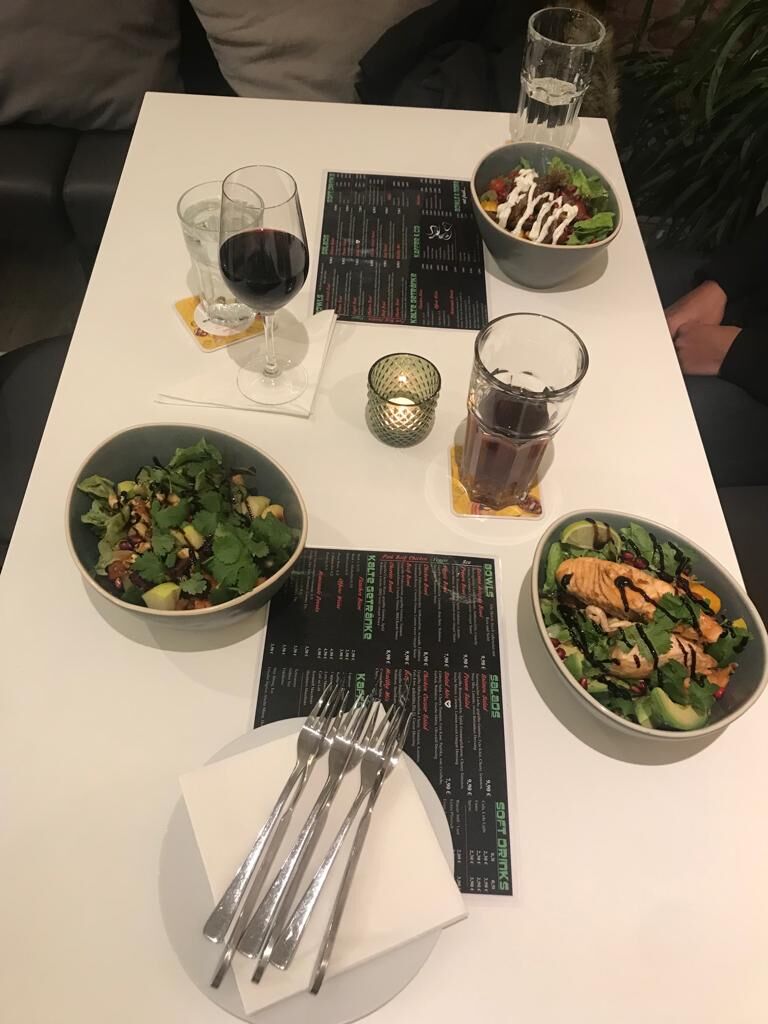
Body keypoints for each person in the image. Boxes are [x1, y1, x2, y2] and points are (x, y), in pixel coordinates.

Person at [656, 209, 768, 488]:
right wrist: (720, 284)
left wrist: (741, 352)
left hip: (753, 372)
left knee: (650, 422)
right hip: (747, 291)